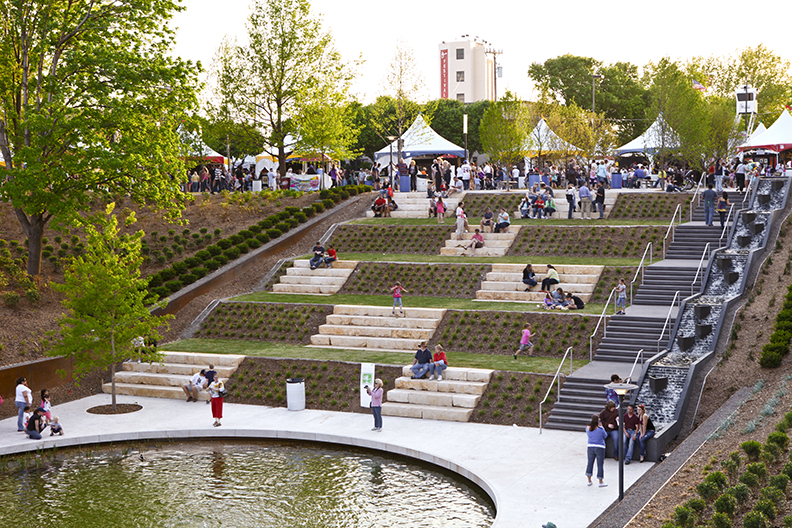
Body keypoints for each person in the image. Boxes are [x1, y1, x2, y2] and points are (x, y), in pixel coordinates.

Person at [585, 414, 608, 487]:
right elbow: (605, 436)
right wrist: (602, 426)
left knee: (590, 463)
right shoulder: (600, 429)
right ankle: (600, 481)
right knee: (600, 464)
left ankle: (589, 480)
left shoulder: (588, 428)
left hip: (590, 446)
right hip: (600, 447)